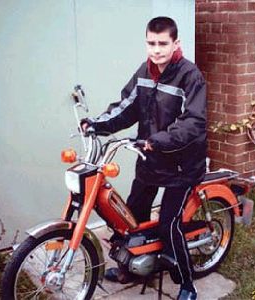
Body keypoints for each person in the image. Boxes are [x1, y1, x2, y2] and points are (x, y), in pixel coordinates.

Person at [81, 16, 206, 300]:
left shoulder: (190, 76)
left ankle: (187, 283)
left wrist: (156, 140)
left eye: (163, 43)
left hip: (183, 164)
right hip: (151, 158)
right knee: (130, 216)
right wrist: (97, 124)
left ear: (176, 44)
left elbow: (193, 122)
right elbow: (126, 107)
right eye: (151, 43)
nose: (157, 49)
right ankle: (132, 268)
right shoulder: (145, 72)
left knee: (168, 224)